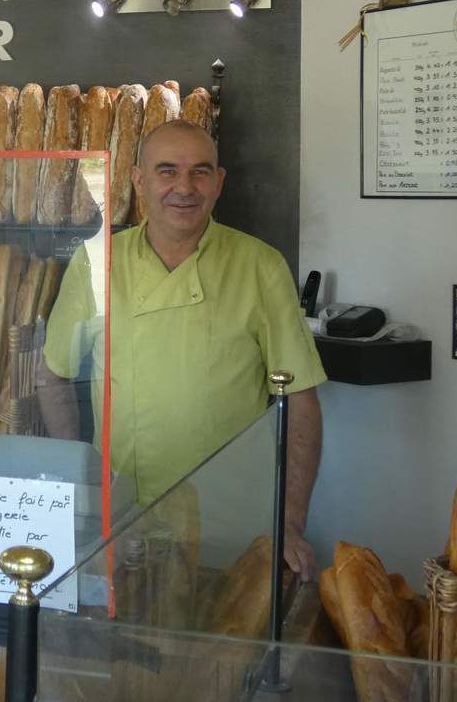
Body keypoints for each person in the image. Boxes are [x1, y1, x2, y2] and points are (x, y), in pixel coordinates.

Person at [38, 120, 326, 579]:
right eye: (167, 171)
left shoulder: (260, 266)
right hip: (121, 523)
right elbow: (53, 376)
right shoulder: (96, 262)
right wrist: (79, 488)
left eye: (200, 172)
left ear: (219, 182)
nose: (184, 188)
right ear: (138, 181)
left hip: (231, 526)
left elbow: (301, 400)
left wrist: (288, 523)